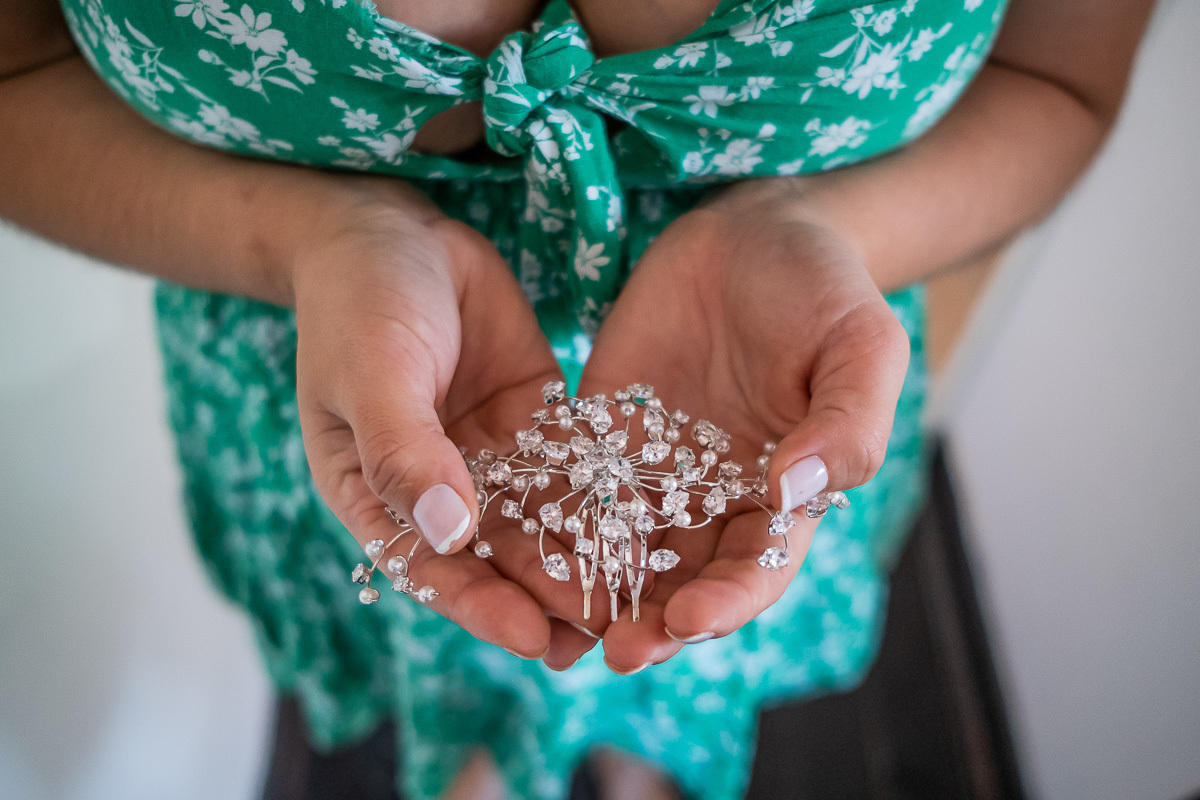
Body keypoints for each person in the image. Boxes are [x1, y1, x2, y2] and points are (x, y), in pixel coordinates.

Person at [0, 0, 1152, 798]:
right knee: (440, 630)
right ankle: (499, 755)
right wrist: (313, 238)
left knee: (688, 632)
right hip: (332, 358)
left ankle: (631, 753)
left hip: (762, 382)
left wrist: (822, 230)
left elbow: (1060, 83)